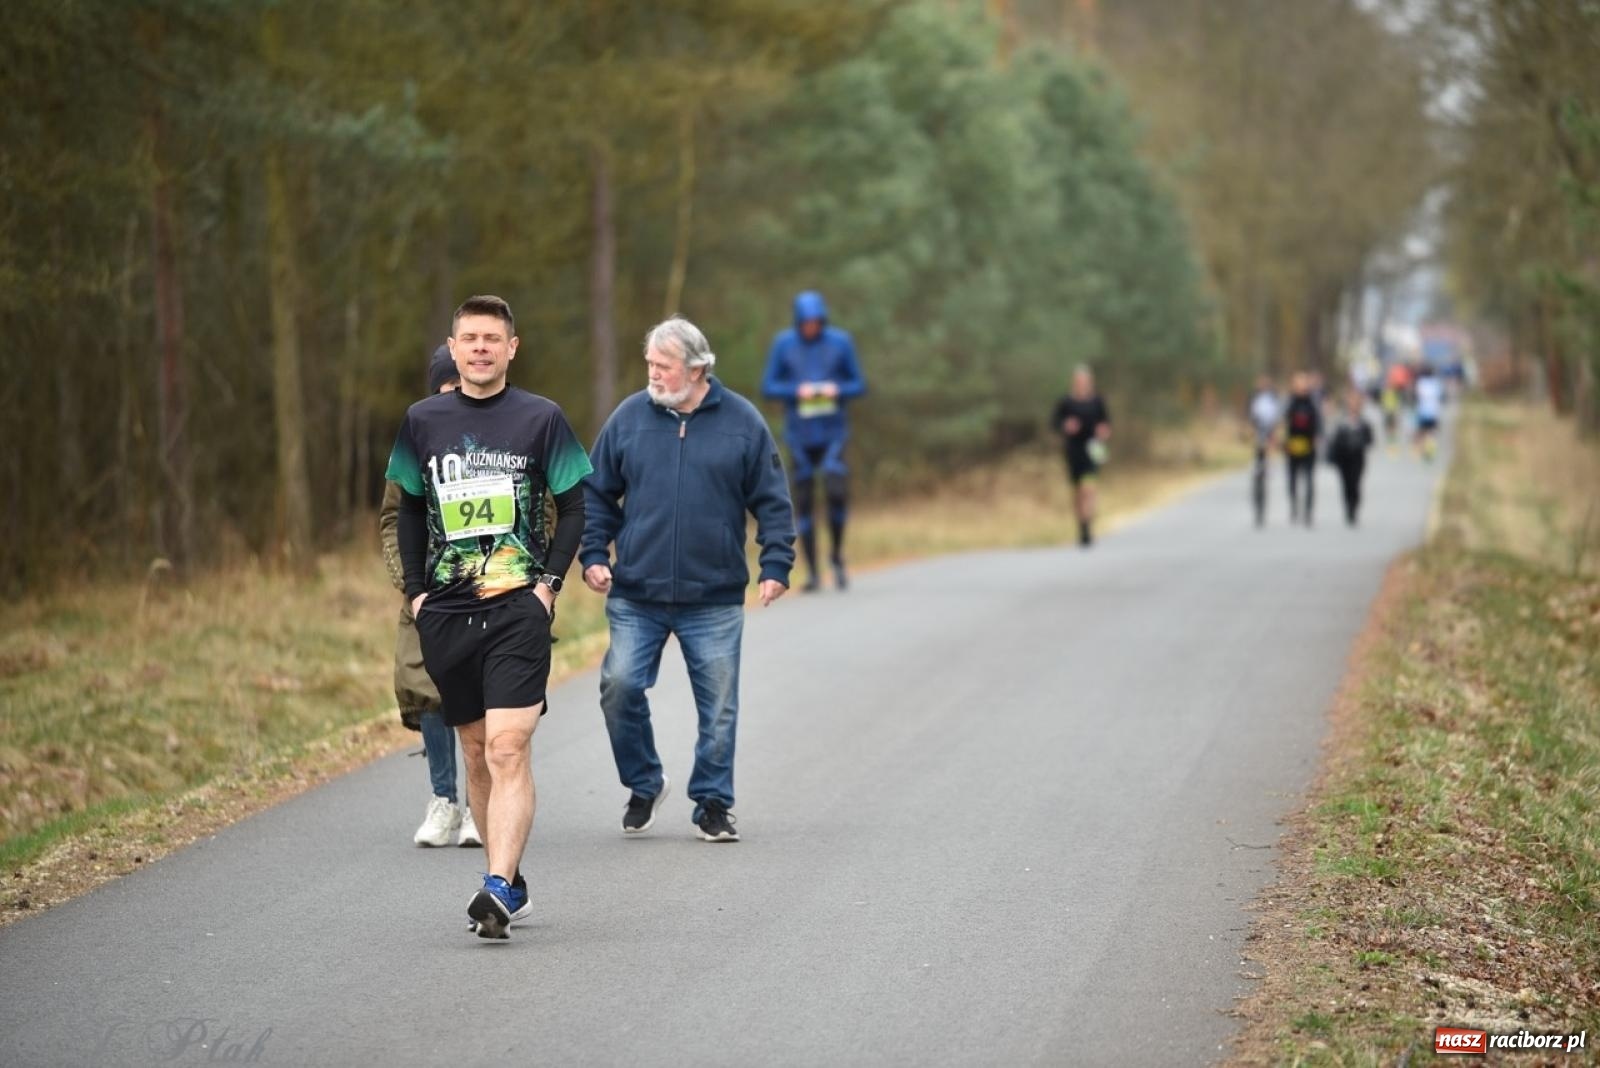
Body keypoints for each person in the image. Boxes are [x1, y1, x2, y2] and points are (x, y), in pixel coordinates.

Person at [386, 295, 593, 939]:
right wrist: (418, 595)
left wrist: (548, 587)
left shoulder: (543, 419)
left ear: (512, 348)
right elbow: (409, 512)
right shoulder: (422, 421)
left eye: (491, 338)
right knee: (476, 752)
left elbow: (576, 508)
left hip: (517, 609)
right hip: (445, 612)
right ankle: (511, 874)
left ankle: (497, 885)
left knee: (508, 746)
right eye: (469, 338)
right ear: (453, 347)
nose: (479, 348)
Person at [583, 316, 795, 843]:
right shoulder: (629, 419)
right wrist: (593, 552)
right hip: (636, 592)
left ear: (697, 370)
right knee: (619, 687)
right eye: (649, 364)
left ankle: (713, 803)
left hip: (714, 594)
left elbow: (772, 500)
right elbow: (595, 493)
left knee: (719, 707)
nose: (652, 374)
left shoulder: (742, 422)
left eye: (664, 365)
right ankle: (644, 781)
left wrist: (776, 564)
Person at [380, 346, 481, 848]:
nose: (453, 398)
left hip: (491, 589)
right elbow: (391, 518)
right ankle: (445, 800)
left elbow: (541, 507)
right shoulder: (416, 439)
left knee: (486, 695)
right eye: (445, 389)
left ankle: (483, 807)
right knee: (427, 691)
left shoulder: (501, 435)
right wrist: (409, 581)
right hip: (427, 594)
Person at [761, 291, 865, 591]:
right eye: (806, 323)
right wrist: (797, 391)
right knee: (802, 501)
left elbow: (859, 384)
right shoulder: (784, 344)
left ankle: (836, 557)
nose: (811, 327)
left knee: (836, 492)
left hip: (834, 433)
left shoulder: (840, 342)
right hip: (799, 436)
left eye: (816, 322)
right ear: (797, 322)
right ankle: (813, 572)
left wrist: (837, 389)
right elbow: (769, 386)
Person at [1049, 365, 1112, 547]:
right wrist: (1065, 425)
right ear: (1074, 382)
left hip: (1093, 449)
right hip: (1073, 450)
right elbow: (1054, 423)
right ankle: (1082, 524)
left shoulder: (1097, 402)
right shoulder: (1066, 402)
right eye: (1079, 381)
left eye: (1085, 381)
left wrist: (1104, 431)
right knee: (1078, 491)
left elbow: (1106, 423)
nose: (1082, 384)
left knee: (1089, 489)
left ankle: (1088, 525)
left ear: (1090, 382)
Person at [1325, 388, 1375, 527]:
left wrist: (1359, 443)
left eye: (1356, 401)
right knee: (1346, 484)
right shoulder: (1341, 421)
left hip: (1357, 457)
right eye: (1351, 401)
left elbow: (1370, 440)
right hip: (1343, 457)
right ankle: (1348, 508)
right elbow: (1334, 439)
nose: (1353, 404)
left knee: (1355, 483)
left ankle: (1354, 507)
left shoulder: (1364, 422)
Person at [1283, 372, 1322, 527]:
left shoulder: (1312, 403)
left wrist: (1318, 436)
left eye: (1303, 384)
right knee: (1292, 479)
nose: (1301, 387)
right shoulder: (1290, 402)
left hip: (1308, 445)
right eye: (1298, 384)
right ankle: (1294, 506)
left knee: (1309, 479)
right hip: (1293, 444)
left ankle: (1308, 512)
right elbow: (1283, 421)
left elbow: (1319, 422)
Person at [1246, 375, 1280, 528]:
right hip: (1257, 442)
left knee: (1266, 474)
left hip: (1269, 440)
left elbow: (1277, 421)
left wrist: (1273, 440)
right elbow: (1250, 420)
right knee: (1256, 476)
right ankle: (1257, 508)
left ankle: (1262, 507)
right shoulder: (1253, 399)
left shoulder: (1273, 399)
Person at [1414, 364, 1444, 461]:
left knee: (1422, 432)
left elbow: (1417, 396)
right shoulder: (1436, 383)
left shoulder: (1420, 383)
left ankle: (1423, 450)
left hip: (1422, 412)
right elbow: (1440, 396)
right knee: (1431, 433)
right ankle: (1430, 450)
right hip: (1434, 412)